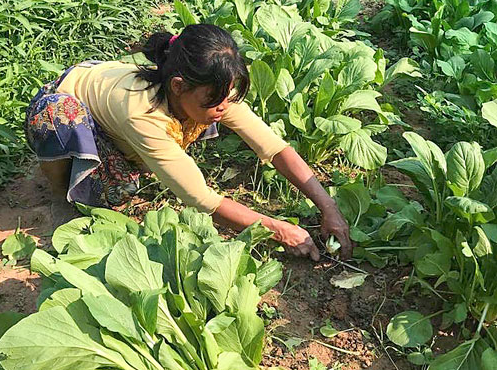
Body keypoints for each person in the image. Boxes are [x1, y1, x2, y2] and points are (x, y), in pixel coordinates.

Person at [25, 24, 352, 260]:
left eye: (228, 98)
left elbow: (274, 148)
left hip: (107, 105)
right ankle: (59, 194)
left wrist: (329, 207)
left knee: (124, 185)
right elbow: (201, 199)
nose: (223, 108)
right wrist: (275, 229)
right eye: (214, 100)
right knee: (92, 176)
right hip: (65, 105)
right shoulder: (143, 113)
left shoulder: (212, 90)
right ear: (179, 86)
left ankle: (112, 160)